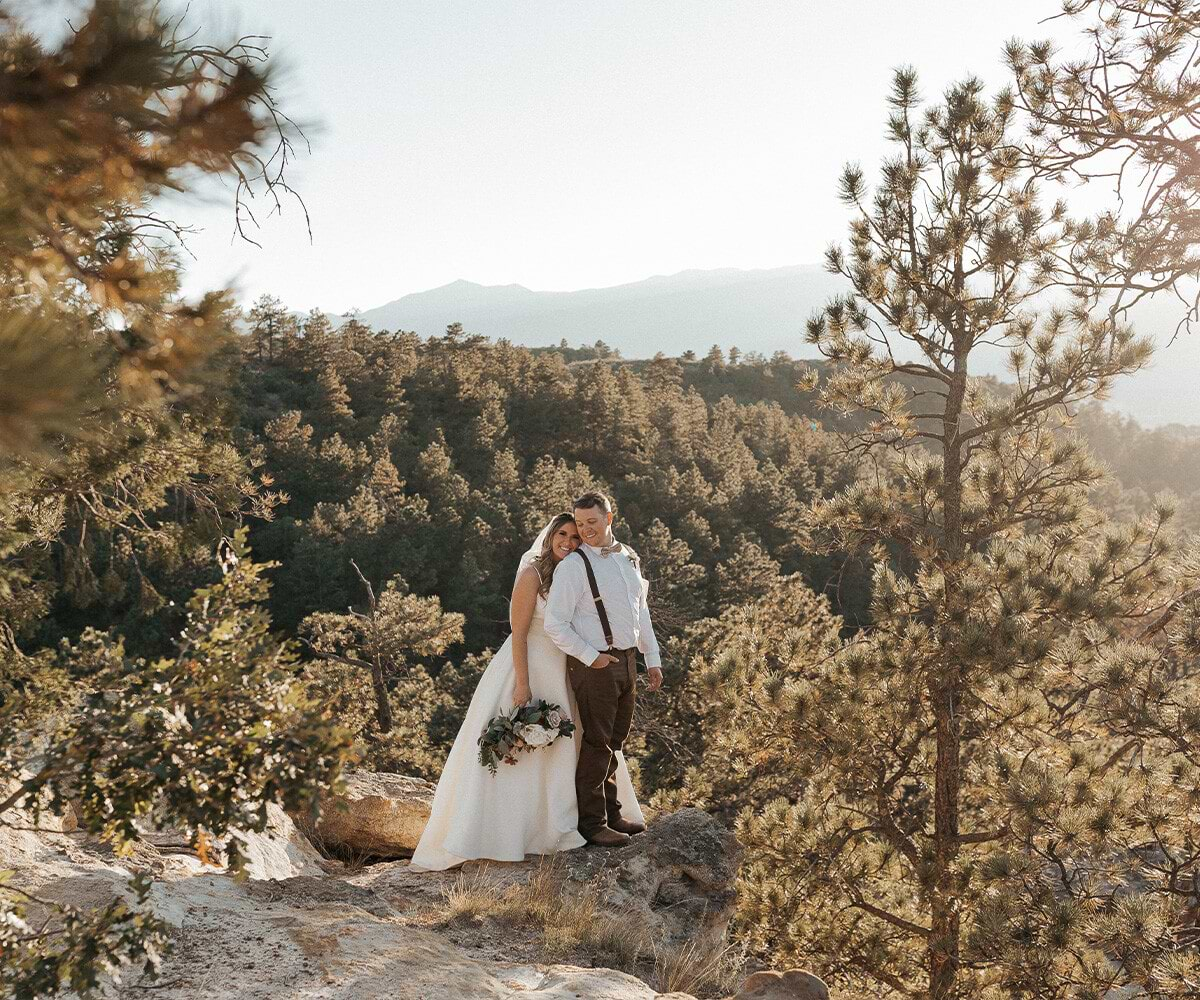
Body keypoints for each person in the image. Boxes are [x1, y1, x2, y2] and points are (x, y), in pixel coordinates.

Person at [410, 512, 644, 871]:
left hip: (570, 666)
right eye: (561, 534)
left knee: (576, 744)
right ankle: (511, 832)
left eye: (575, 537)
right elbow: (518, 633)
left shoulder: (578, 572)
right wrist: (523, 683)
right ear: (550, 536)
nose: (568, 541)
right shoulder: (531, 574)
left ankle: (567, 824)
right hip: (530, 664)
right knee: (521, 748)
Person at [543, 491, 664, 847]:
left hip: (627, 661)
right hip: (594, 665)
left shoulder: (628, 557)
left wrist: (651, 659)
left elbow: (640, 611)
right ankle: (592, 824)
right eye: (580, 524)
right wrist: (590, 656)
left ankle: (612, 813)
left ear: (609, 519)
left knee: (615, 742)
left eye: (591, 523)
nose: (585, 530)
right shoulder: (573, 566)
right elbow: (555, 624)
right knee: (596, 743)